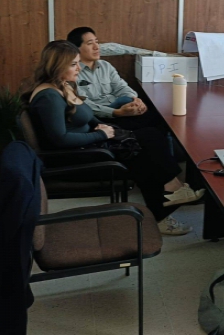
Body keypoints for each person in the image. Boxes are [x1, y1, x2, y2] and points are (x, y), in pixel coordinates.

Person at [24, 41, 202, 236]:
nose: (79, 68)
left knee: (148, 139)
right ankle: (171, 194)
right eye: (74, 64)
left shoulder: (62, 85)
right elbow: (60, 139)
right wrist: (101, 134)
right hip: (76, 156)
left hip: (89, 143)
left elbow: (85, 113)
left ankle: (170, 195)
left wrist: (101, 125)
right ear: (57, 66)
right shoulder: (49, 97)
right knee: (144, 150)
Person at [66, 27, 156, 130]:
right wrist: (116, 112)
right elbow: (84, 105)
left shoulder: (105, 65)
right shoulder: (72, 72)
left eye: (97, 42)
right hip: (101, 116)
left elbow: (121, 87)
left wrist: (134, 100)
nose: (96, 47)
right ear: (76, 49)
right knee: (149, 128)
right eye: (90, 43)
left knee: (154, 116)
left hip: (120, 107)